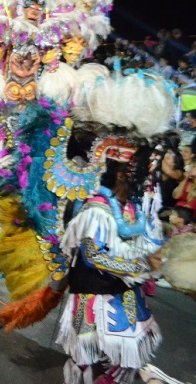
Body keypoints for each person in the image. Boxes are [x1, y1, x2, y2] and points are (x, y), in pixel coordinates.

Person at [57, 150, 164, 384]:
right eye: (141, 177)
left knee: (128, 356)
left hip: (123, 292)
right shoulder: (96, 208)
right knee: (84, 356)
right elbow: (93, 255)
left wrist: (151, 259)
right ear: (119, 176)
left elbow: (139, 244)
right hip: (92, 293)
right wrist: (134, 269)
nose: (146, 184)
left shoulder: (131, 208)